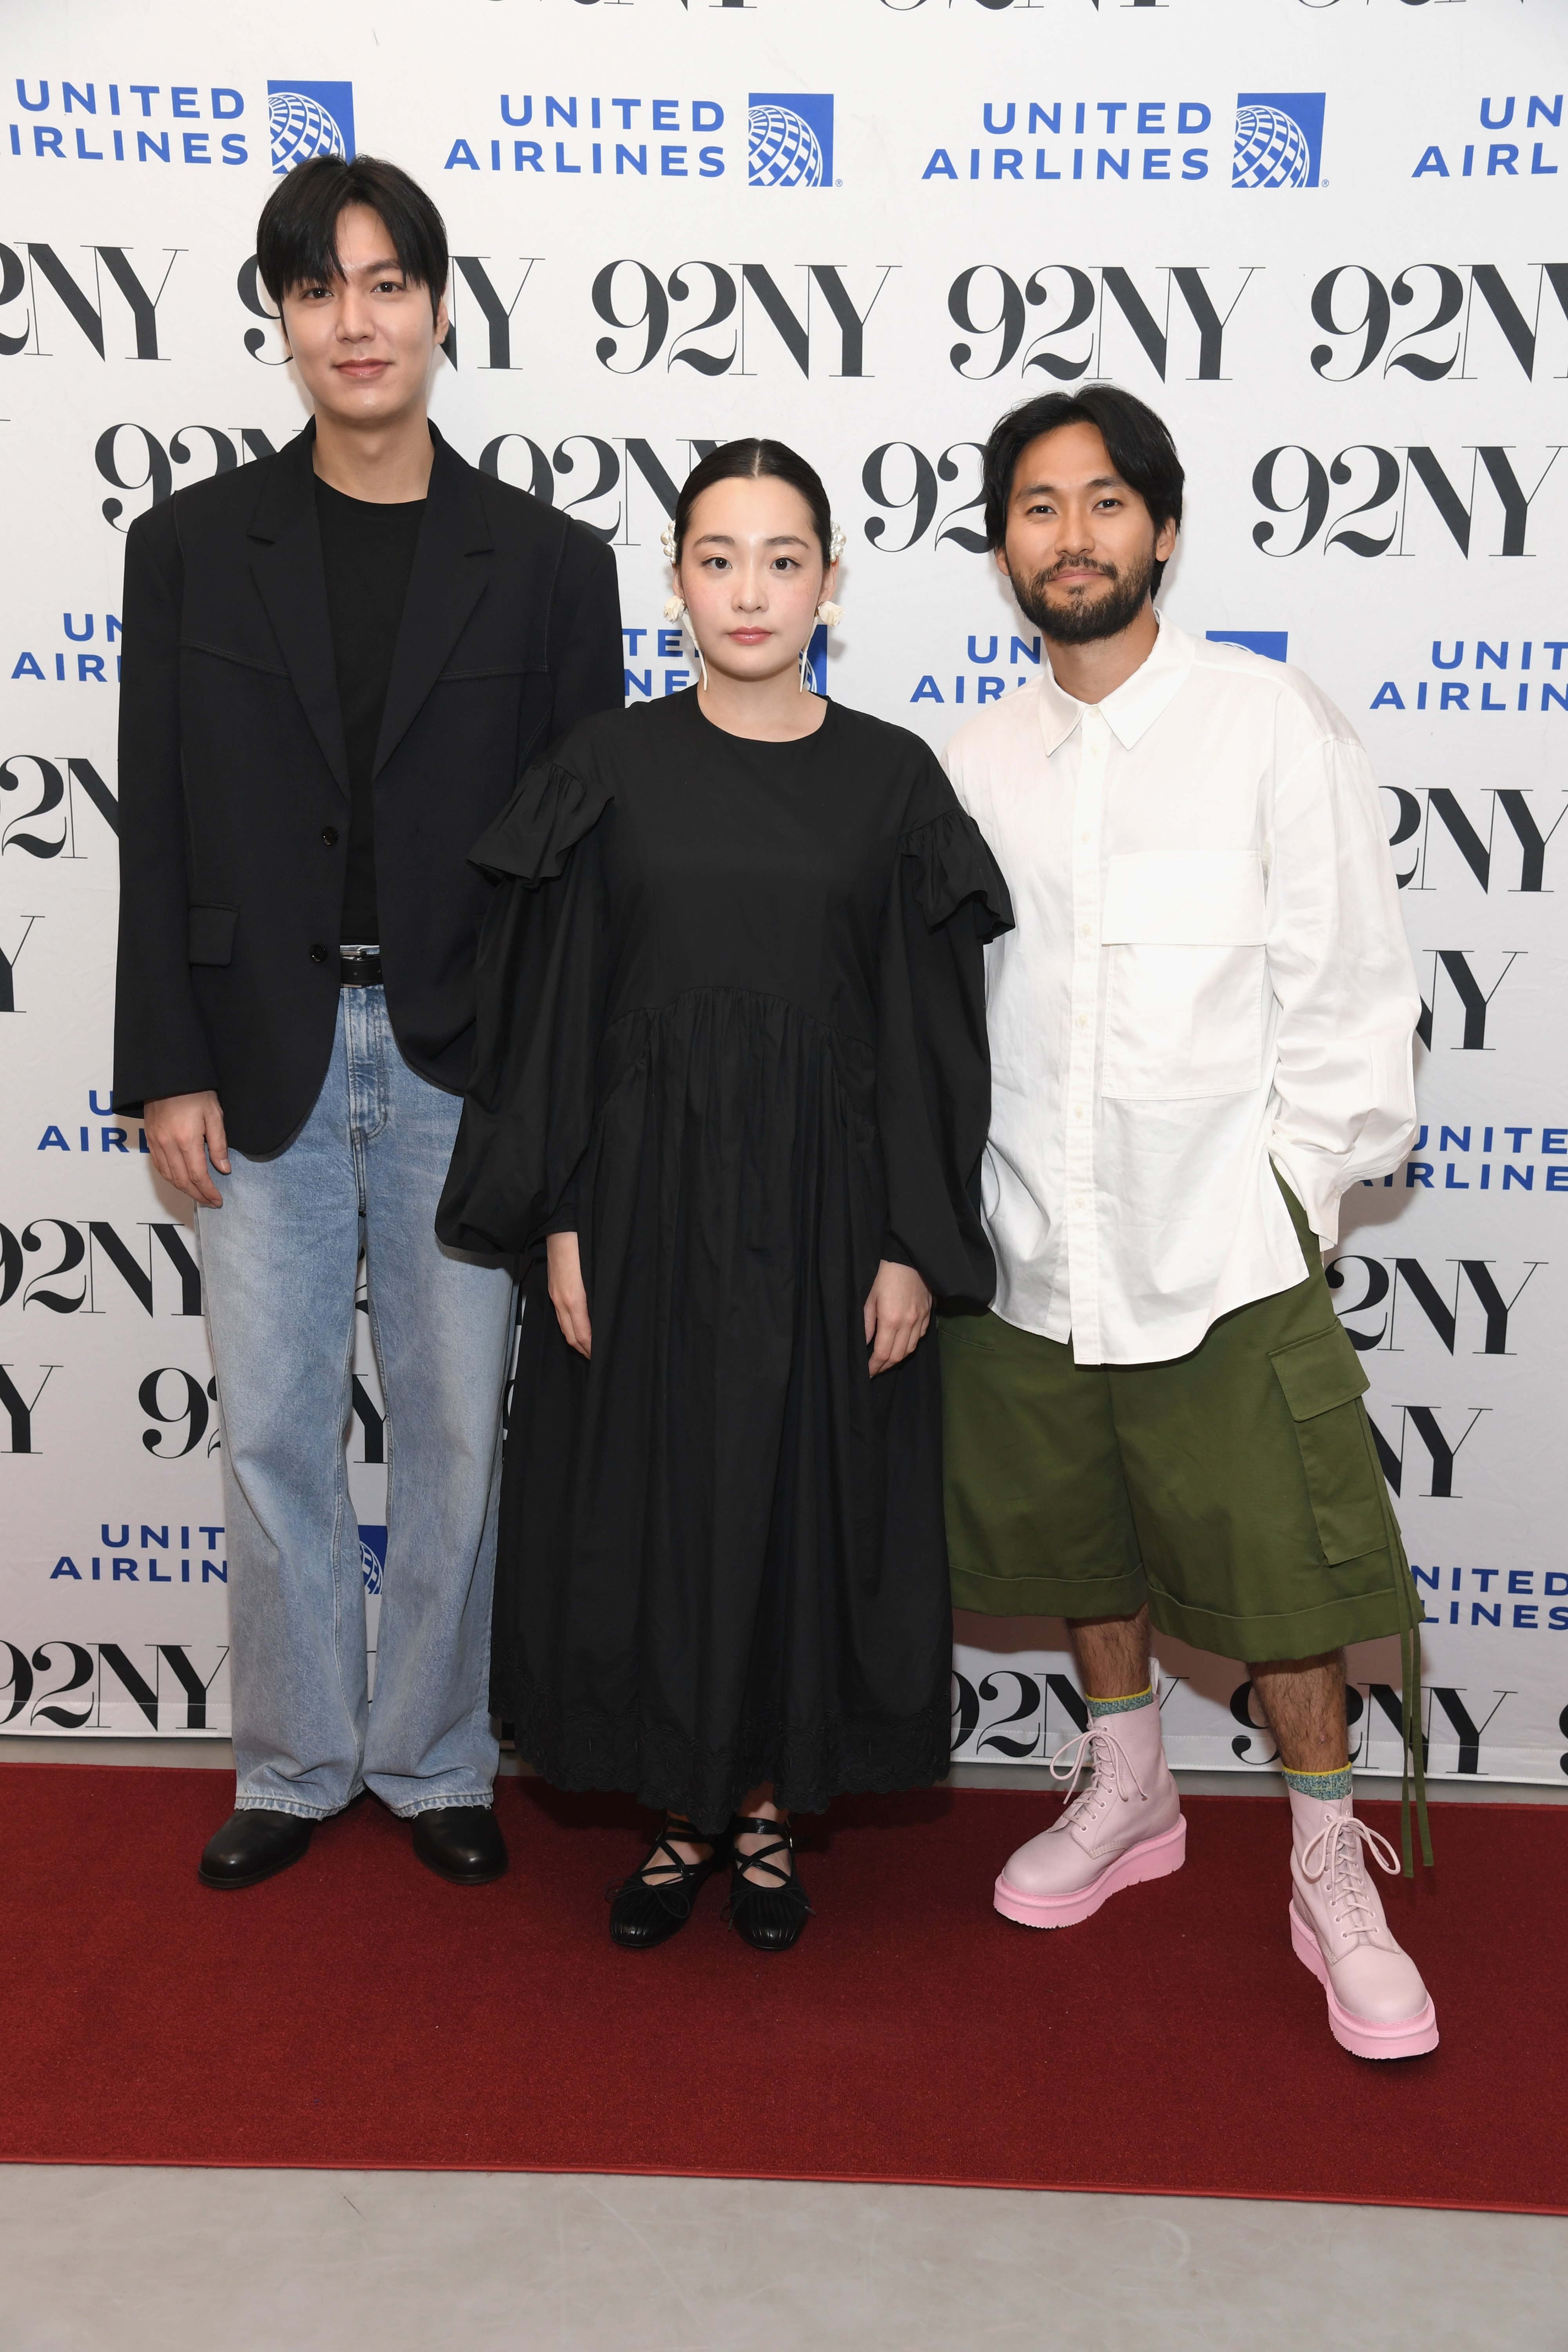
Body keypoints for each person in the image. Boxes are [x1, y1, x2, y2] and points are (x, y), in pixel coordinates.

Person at [113, 154, 622, 1891]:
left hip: (462, 1057)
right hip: (255, 1051)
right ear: (280, 317)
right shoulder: (185, 548)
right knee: (268, 1428)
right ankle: (297, 1757)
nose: (357, 317)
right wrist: (163, 1056)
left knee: (463, 1432)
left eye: (388, 281)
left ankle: (431, 1756)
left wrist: (551, 1093)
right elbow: (159, 817)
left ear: (438, 307)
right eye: (322, 286)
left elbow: (577, 868)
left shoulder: (551, 568)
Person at [437, 438, 1011, 1951]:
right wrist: (557, 1207)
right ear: (675, 578)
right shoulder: (605, 767)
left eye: (781, 558)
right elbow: (549, 1012)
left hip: (831, 1213)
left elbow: (931, 1033)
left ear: (831, 581)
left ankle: (762, 1809)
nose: (748, 590)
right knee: (658, 1495)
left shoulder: (896, 777)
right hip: (641, 1206)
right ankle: (678, 1815)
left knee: (797, 1496)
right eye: (716, 556)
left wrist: (911, 1241)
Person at [940, 385, 1437, 2061]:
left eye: (1098, 504)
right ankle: (1130, 1786)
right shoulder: (971, 762)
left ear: (1158, 528)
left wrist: (1284, 1197)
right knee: (1078, 1537)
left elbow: (1355, 994)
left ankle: (1321, 1858)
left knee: (1283, 1580)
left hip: (1222, 1248)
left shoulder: (1267, 723)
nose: (1066, 537)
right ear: (1000, 545)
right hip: (1026, 1246)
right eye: (1032, 508)